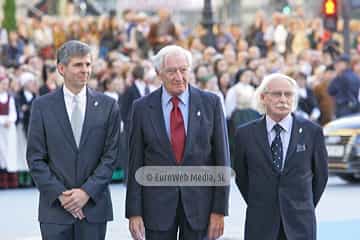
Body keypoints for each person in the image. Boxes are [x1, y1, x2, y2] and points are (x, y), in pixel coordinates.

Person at [126, 45, 230, 240]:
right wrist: (134, 212)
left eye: (183, 70)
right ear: (158, 73)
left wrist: (219, 210)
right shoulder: (141, 108)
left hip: (200, 207)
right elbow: (135, 163)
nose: (178, 76)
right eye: (171, 71)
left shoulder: (211, 104)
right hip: (156, 208)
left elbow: (222, 159)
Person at [26, 40, 120, 240]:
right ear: (61, 68)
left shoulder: (108, 106)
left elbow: (110, 157)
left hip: (93, 209)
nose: (85, 70)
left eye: (88, 64)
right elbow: (35, 158)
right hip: (55, 211)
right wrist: (62, 195)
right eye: (78, 65)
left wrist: (86, 193)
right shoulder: (42, 107)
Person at [234, 73, 328, 240]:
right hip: (260, 224)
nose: (283, 99)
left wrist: (301, 205)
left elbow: (320, 177)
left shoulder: (312, 132)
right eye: (277, 94)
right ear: (263, 97)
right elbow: (242, 177)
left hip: (300, 224)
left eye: (288, 94)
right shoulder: (245, 134)